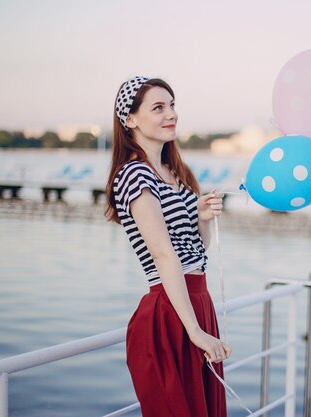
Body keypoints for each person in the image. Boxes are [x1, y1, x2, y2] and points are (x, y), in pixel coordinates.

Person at [105, 76, 230, 417]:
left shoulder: (176, 172)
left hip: (196, 301)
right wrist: (195, 332)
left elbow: (194, 252)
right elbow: (162, 255)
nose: (170, 114)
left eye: (172, 105)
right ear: (130, 120)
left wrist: (201, 217)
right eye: (158, 107)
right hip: (171, 312)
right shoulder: (133, 175)